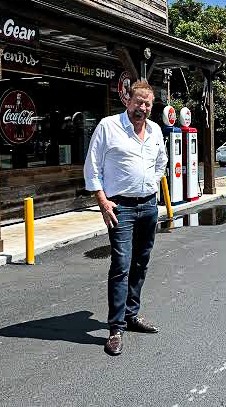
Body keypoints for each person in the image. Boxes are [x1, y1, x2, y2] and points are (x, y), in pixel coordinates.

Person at [84, 80, 167, 356]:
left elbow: (161, 161)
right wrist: (103, 202)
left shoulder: (155, 130)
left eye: (147, 104)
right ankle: (116, 328)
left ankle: (131, 315)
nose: (142, 108)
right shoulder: (109, 127)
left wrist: (152, 185)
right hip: (121, 208)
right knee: (121, 265)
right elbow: (92, 167)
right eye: (138, 102)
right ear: (127, 101)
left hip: (148, 206)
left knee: (141, 262)